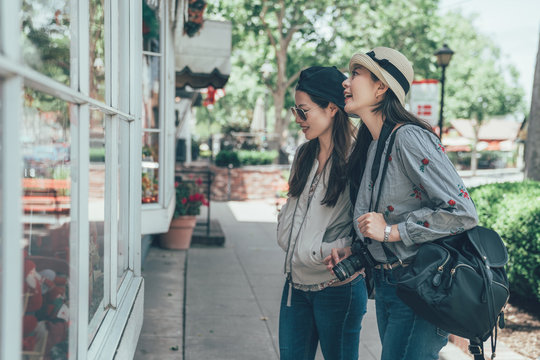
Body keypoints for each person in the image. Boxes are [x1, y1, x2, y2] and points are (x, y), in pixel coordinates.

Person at [324, 47, 478, 360]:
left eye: (355, 74)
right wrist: (359, 247)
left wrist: (392, 232)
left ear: (382, 86)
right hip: (389, 284)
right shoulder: (374, 144)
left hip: (419, 286)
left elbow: (462, 212)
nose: (346, 82)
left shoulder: (409, 137)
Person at [277, 66, 368, 360]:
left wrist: (322, 250)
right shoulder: (304, 155)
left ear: (331, 108)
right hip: (295, 287)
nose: (297, 119)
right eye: (295, 110)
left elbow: (369, 225)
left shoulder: (359, 158)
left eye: (303, 111)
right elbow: (292, 209)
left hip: (337, 288)